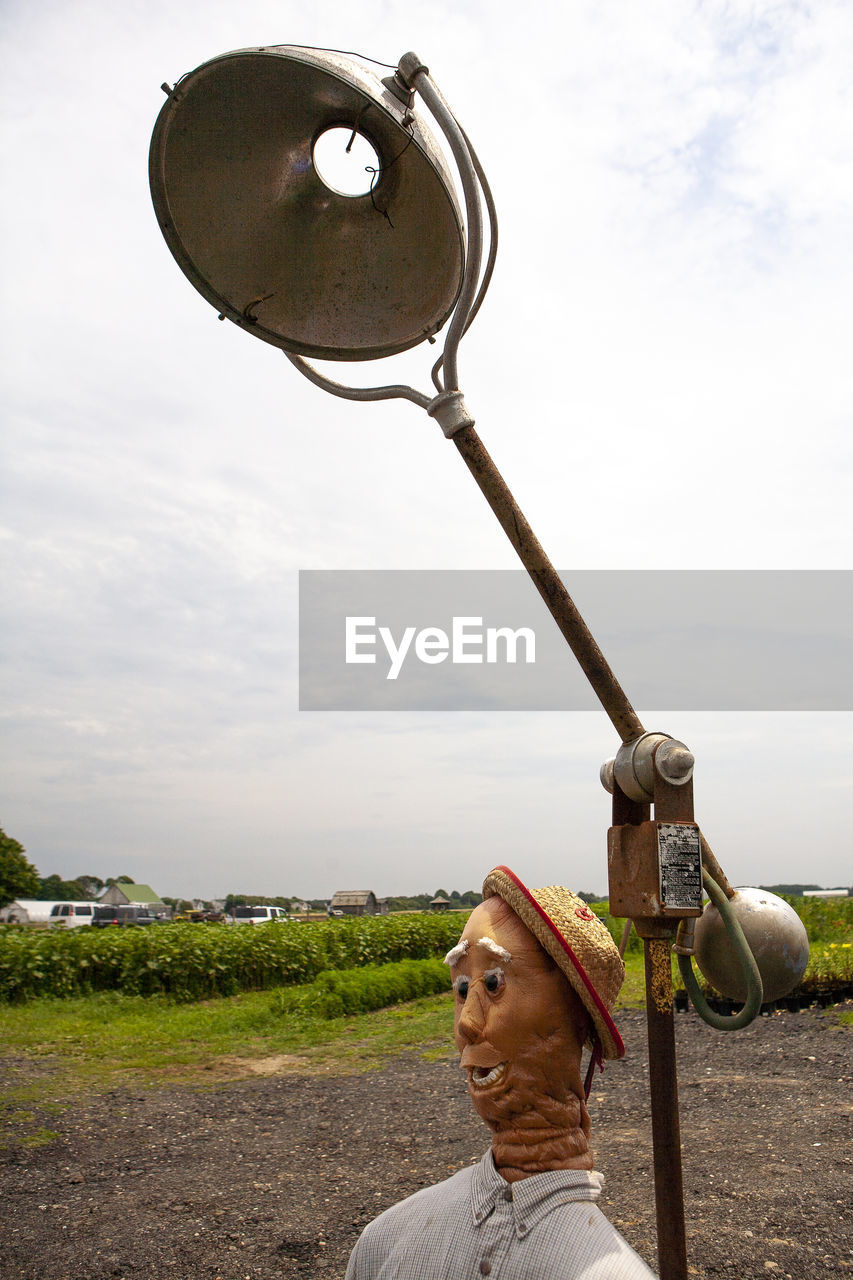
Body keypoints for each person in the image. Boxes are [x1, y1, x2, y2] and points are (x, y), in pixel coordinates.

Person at [345, 865, 657, 1279]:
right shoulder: (379, 1243)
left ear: (577, 1019)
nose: (466, 1023)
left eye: (494, 983)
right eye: (461, 989)